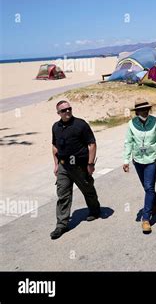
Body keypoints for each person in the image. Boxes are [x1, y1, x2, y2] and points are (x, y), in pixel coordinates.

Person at [50, 101, 101, 240]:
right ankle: (62, 224)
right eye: (64, 110)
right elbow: (55, 147)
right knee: (62, 194)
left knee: (87, 189)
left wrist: (90, 164)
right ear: (58, 113)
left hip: (80, 166)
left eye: (69, 109)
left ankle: (95, 210)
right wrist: (56, 165)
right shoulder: (56, 127)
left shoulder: (80, 124)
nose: (67, 111)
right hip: (63, 166)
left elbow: (92, 144)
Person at [123, 98, 156, 234]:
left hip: (151, 159)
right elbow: (128, 142)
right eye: (141, 110)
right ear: (137, 112)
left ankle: (146, 218)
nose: (144, 111)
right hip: (137, 160)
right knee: (147, 187)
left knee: (148, 187)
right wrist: (126, 160)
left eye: (146, 109)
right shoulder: (131, 124)